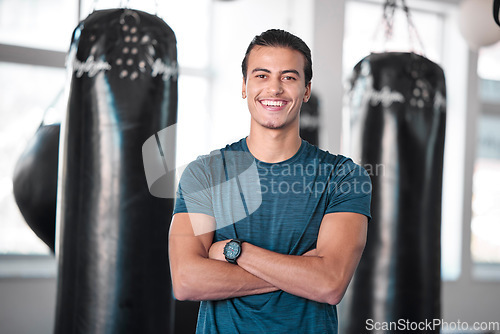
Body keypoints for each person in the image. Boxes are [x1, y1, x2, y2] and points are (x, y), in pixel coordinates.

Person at [168, 29, 371, 333]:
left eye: (288, 77)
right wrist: (301, 273)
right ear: (244, 86)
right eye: (261, 76)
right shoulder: (204, 174)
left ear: (306, 90)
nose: (274, 88)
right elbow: (186, 281)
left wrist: (234, 252)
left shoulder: (343, 177)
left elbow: (329, 284)